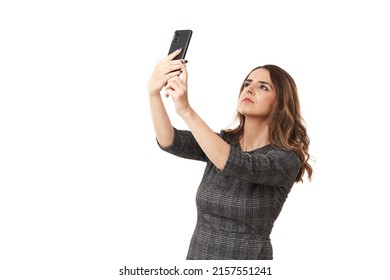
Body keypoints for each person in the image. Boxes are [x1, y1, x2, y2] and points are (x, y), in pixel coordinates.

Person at [147, 49, 313, 260]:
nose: (250, 90)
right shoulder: (224, 143)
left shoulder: (286, 159)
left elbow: (237, 163)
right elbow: (170, 141)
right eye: (247, 84)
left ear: (280, 103)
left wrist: (186, 111)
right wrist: (153, 93)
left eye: (263, 87)